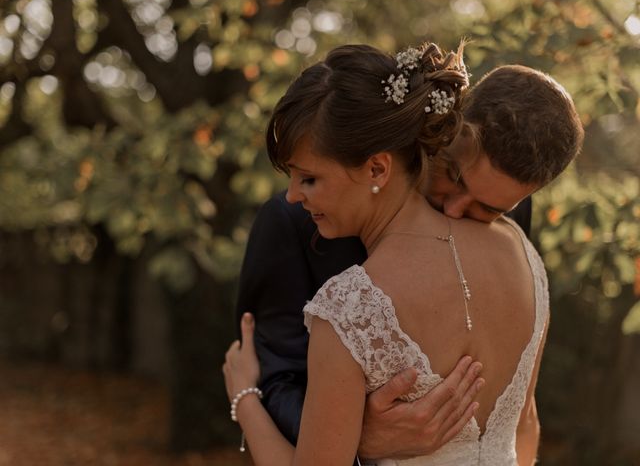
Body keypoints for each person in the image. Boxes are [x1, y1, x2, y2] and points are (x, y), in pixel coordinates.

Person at [224, 42, 583, 465]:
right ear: (451, 128)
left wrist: (242, 398)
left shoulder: (512, 237)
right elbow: (280, 376)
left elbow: (521, 409)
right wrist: (361, 438)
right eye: (454, 176)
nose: (456, 210)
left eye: (489, 209)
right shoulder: (293, 221)